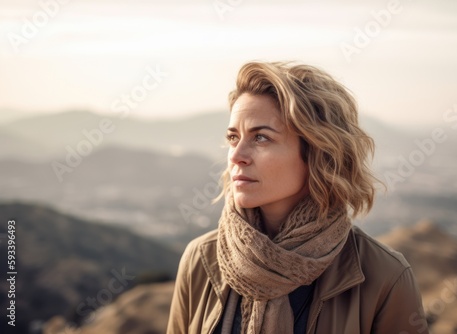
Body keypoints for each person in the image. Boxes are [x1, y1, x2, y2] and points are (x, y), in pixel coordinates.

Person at [167, 61, 429, 334]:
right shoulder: (200, 260)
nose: (235, 155)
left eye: (261, 138)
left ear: (317, 152)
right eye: (234, 137)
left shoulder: (386, 277)